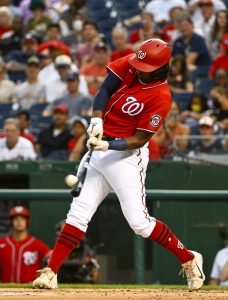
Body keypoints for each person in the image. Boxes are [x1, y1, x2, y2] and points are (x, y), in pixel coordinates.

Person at [33, 38, 205, 291]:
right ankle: (51, 272)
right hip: (99, 144)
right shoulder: (135, 63)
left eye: (146, 69)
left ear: (161, 69)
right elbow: (105, 89)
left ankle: (189, 259)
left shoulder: (161, 97)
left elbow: (141, 138)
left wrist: (110, 146)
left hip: (125, 155)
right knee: (78, 213)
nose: (138, 70)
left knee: (139, 222)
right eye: (139, 65)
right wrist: (96, 119)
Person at [0, 206, 51, 283]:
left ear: (27, 221)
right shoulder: (2, 243)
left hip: (29, 289)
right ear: (11, 222)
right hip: (6, 288)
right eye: (16, 219)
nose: (19, 222)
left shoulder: (36, 243)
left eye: (22, 219)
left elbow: (51, 257)